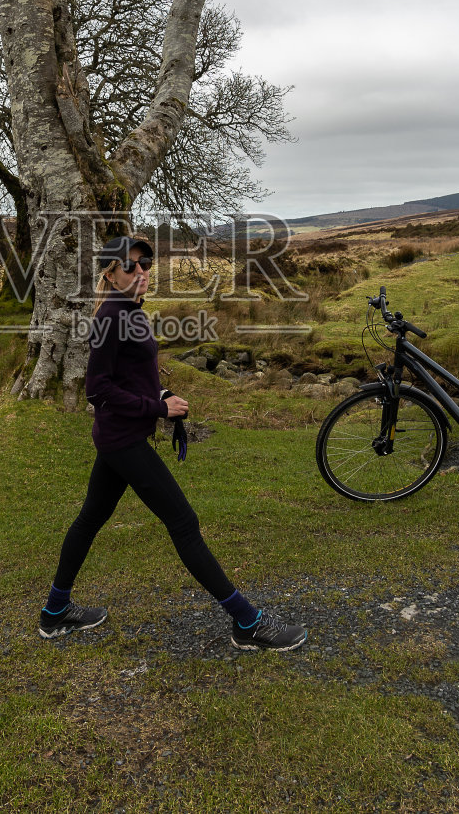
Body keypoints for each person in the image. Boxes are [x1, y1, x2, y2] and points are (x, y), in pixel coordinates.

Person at [38, 234, 307, 652]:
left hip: (117, 439)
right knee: (183, 523)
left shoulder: (130, 311)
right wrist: (156, 410)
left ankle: (55, 613)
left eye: (146, 263)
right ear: (110, 272)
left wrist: (159, 395)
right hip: (123, 441)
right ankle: (248, 622)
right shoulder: (112, 315)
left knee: (90, 520)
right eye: (132, 265)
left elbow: (131, 375)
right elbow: (97, 389)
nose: (142, 272)